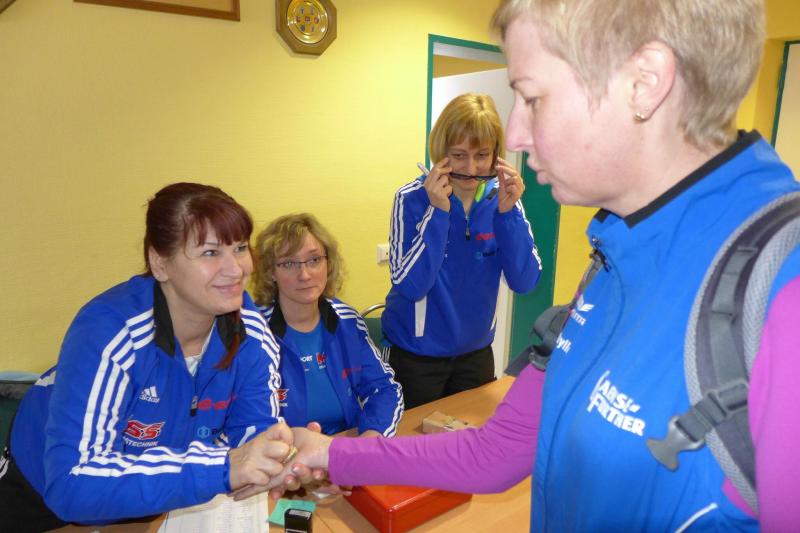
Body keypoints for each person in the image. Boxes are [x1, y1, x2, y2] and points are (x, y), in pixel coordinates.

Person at [256, 0, 800, 530]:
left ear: (645, 82)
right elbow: (498, 450)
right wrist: (332, 453)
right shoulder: (613, 255)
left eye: (533, 98)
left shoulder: (780, 283)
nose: (514, 136)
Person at [0, 183, 293, 530]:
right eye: (210, 252)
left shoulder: (251, 333)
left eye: (240, 247)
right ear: (160, 263)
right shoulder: (111, 329)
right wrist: (224, 467)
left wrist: (282, 455)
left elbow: (253, 435)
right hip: (42, 498)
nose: (237, 269)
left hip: (157, 499)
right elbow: (72, 483)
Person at [382, 92, 542, 409]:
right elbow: (410, 286)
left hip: (475, 355)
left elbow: (525, 281)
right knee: (412, 439)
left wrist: (508, 215)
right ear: (441, 153)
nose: (470, 168)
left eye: (482, 155)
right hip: (416, 357)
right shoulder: (411, 198)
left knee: (473, 437)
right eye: (458, 155)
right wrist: (438, 213)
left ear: (496, 156)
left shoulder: (503, 200)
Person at [252, 213, 403, 437]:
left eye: (314, 260)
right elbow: (242, 421)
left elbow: (384, 388)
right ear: (271, 272)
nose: (305, 275)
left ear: (328, 264)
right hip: (284, 451)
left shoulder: (347, 320)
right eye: (289, 263)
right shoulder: (252, 333)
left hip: (344, 443)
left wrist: (372, 435)